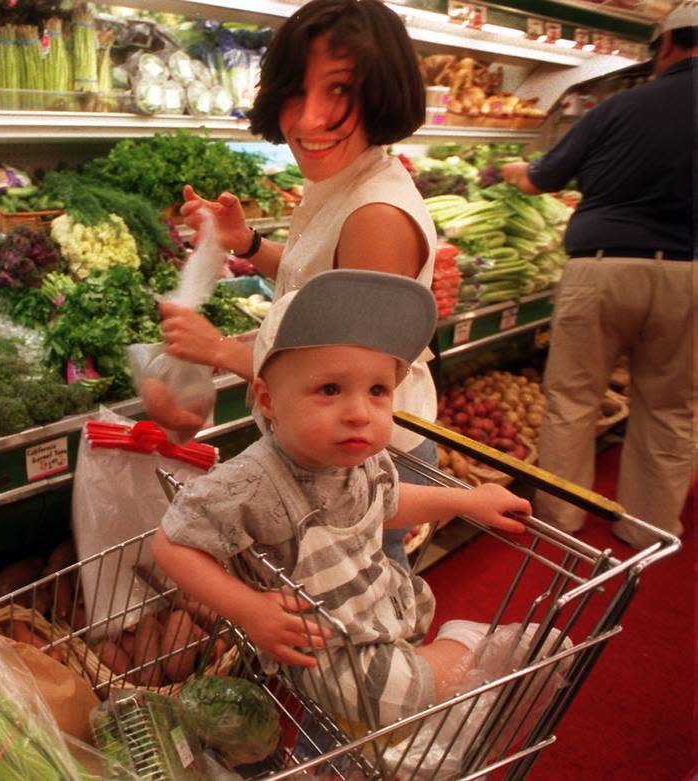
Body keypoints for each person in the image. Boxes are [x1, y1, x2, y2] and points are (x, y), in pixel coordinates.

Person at [152, 271, 532, 730]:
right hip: (323, 650)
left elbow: (389, 504)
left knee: (391, 693)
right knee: (389, 700)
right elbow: (171, 545)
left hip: (370, 612)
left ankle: (454, 655)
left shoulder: (360, 458)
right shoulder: (251, 481)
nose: (358, 413)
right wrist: (248, 610)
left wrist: (466, 501)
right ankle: (468, 651)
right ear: (269, 400)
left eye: (378, 391)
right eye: (330, 390)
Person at [145, 0, 437, 569]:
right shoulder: (347, 181)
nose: (308, 120)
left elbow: (342, 376)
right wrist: (249, 244)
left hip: (368, 452)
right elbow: (324, 283)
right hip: (334, 443)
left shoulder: (377, 214)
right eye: (295, 92)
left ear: (382, 91)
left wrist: (221, 350)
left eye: (339, 91)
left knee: (366, 608)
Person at [500, 2, 696, 548]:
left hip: (604, 267)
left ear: (666, 46)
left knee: (573, 396)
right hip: (689, 274)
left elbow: (542, 181)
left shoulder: (621, 107)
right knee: (672, 408)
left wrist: (516, 171)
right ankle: (647, 527)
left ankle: (562, 518)